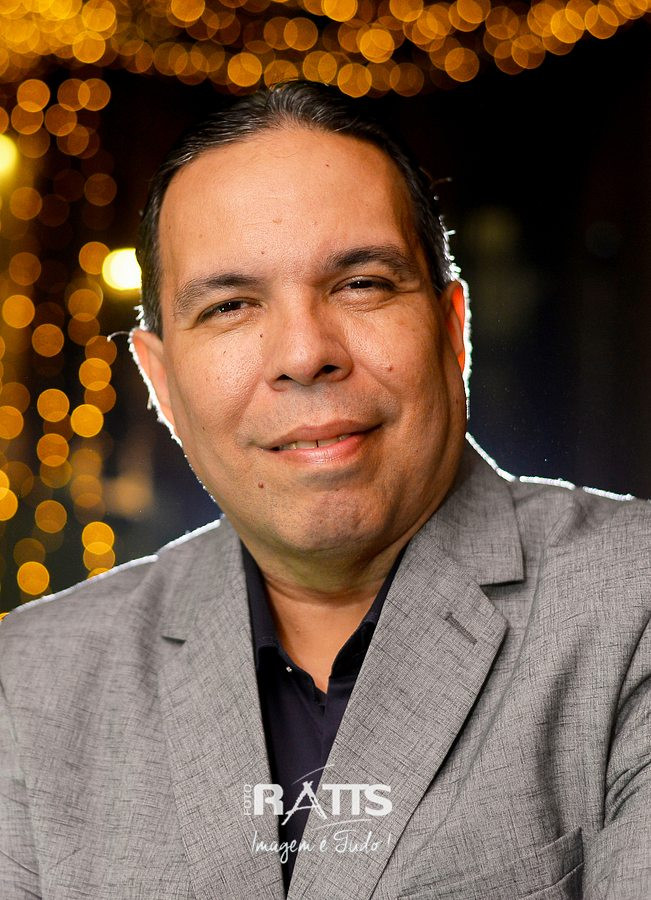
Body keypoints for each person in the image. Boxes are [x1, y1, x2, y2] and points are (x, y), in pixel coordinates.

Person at [0, 81, 649, 900]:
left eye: (362, 284)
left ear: (452, 329)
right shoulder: (28, 681)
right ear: (161, 383)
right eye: (230, 306)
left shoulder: (633, 605)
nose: (305, 354)